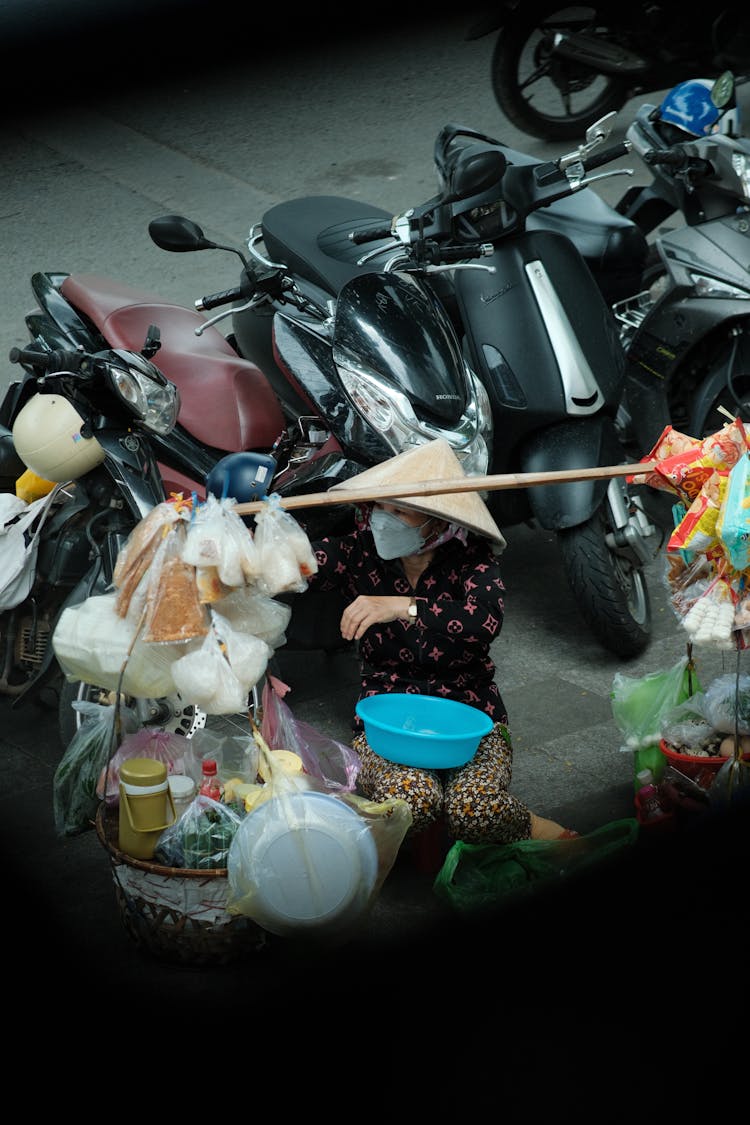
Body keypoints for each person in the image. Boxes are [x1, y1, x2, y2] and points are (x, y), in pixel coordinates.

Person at [306, 437, 578, 844]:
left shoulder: (473, 559)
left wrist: (403, 606)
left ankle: (546, 833)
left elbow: (484, 620)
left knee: (475, 809)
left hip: (471, 716)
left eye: (403, 512)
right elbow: (299, 563)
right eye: (382, 507)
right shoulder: (358, 553)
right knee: (412, 803)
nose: (385, 519)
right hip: (386, 722)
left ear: (436, 523)